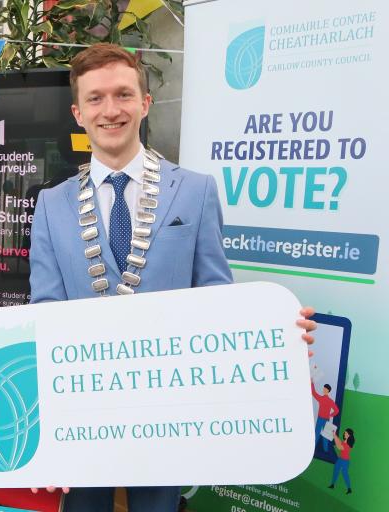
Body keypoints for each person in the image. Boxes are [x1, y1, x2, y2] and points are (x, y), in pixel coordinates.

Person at [28, 43, 316, 512]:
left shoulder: (197, 191)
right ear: (78, 113)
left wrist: (273, 332)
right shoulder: (51, 203)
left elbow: (217, 295)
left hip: (169, 407)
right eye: (96, 99)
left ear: (145, 103)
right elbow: (44, 310)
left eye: (123, 95)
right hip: (80, 407)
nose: (110, 110)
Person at [311, 381, 339, 453]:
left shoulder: (327, 400)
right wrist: (312, 383)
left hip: (323, 419)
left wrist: (330, 415)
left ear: (328, 390)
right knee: (321, 434)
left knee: (322, 434)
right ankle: (324, 449)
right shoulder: (324, 399)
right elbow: (314, 393)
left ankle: (323, 449)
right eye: (323, 388)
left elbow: (336, 410)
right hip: (323, 419)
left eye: (324, 389)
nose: (323, 390)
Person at [329, 428, 355, 494]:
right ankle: (332, 484)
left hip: (345, 461)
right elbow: (340, 443)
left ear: (349, 435)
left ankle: (349, 488)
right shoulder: (345, 441)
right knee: (336, 471)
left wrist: (334, 436)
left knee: (344, 474)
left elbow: (339, 446)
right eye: (345, 433)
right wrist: (335, 435)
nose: (344, 434)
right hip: (340, 459)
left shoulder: (348, 445)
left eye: (346, 433)